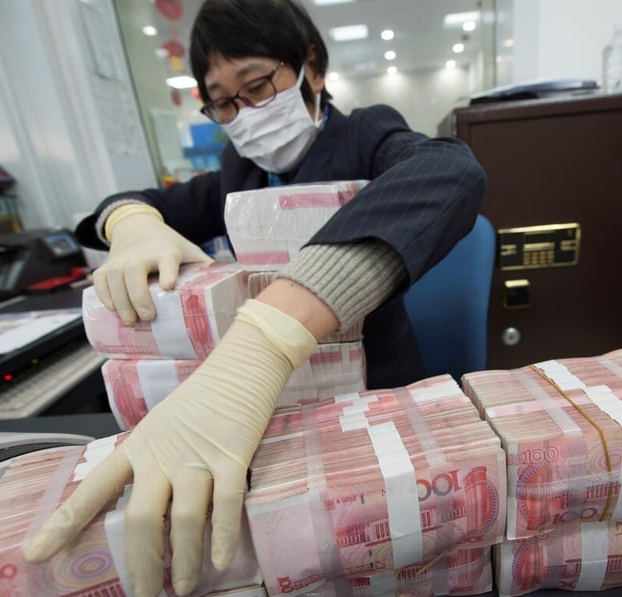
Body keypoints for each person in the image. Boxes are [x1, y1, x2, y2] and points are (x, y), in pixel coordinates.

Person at [24, 1, 486, 595]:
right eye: (224, 101)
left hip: (369, 397)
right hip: (263, 412)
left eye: (258, 85)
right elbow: (130, 202)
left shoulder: (365, 134)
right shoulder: (238, 168)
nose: (244, 115)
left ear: (311, 70)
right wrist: (131, 221)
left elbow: (450, 170)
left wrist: (268, 336)